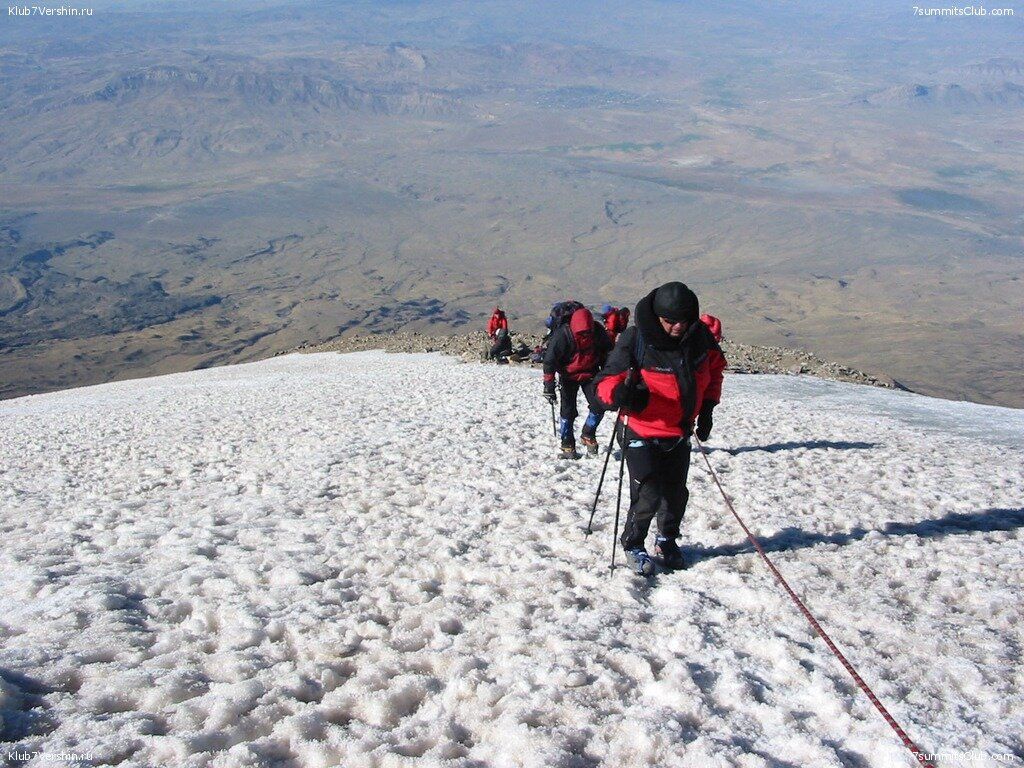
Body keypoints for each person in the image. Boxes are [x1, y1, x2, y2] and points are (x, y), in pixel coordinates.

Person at [593, 282, 726, 574]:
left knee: (676, 493)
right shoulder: (636, 339)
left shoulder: (699, 338)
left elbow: (714, 371)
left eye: (684, 320)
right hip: (640, 428)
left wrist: (707, 409)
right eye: (670, 321)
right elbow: (601, 384)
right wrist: (618, 396)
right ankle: (633, 544)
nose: (678, 327)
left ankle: (666, 540)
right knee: (649, 489)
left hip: (679, 431)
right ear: (657, 317)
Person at [542, 307, 613, 457]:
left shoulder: (597, 333)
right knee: (568, 411)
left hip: (590, 373)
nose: (585, 335)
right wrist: (549, 386)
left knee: (599, 404)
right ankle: (567, 444)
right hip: (569, 376)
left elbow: (609, 353)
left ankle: (588, 432)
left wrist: (609, 375)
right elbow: (549, 361)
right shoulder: (563, 335)